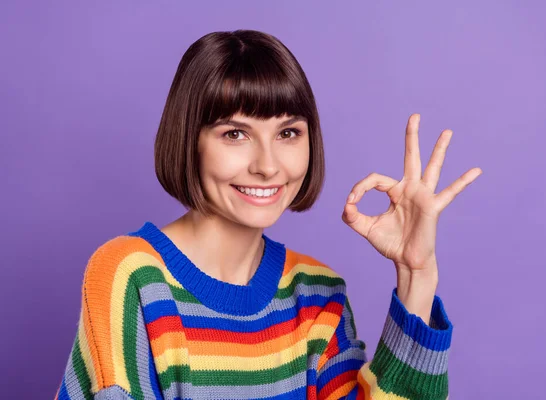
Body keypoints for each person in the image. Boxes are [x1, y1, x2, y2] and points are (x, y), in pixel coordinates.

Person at [54, 29, 482, 400]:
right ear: (189, 140)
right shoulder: (130, 275)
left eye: (288, 133)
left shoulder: (317, 293)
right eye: (235, 133)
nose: (268, 165)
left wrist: (417, 273)